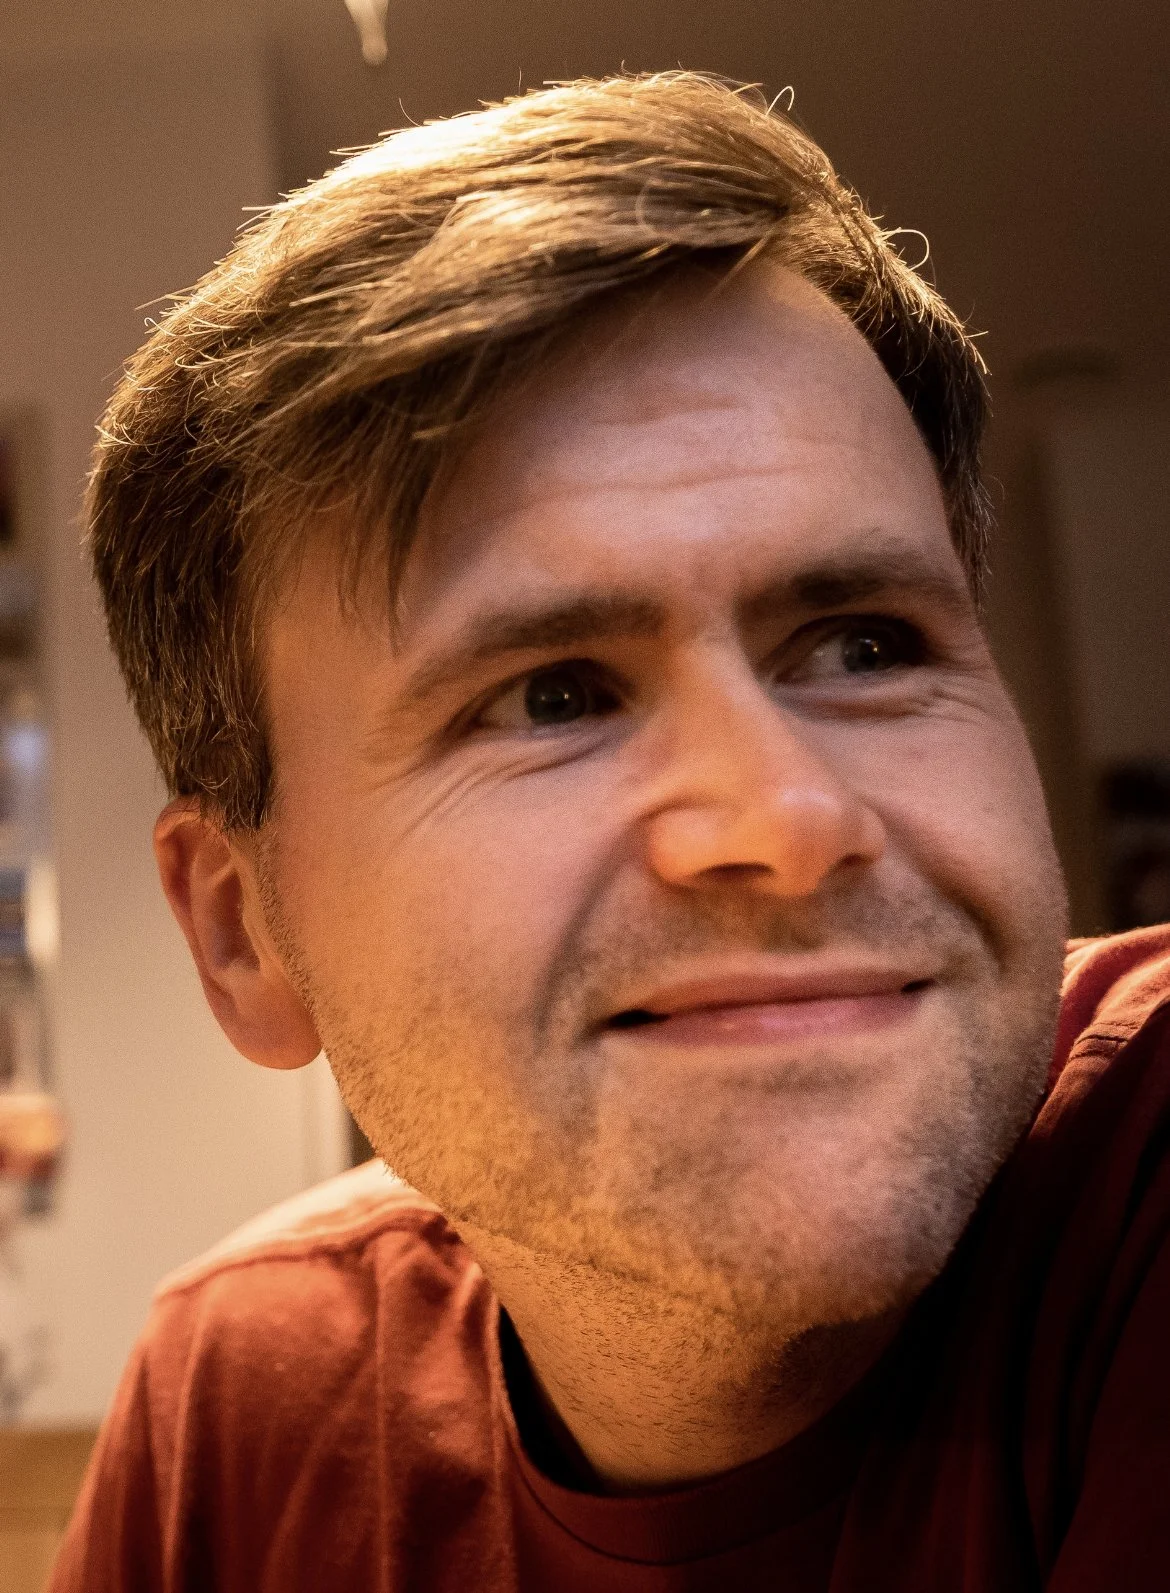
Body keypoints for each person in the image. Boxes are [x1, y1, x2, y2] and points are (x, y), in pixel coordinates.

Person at [52, 72, 1169, 1592]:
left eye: (862, 644)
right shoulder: (245, 1409)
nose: (787, 819)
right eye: (552, 694)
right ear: (244, 931)